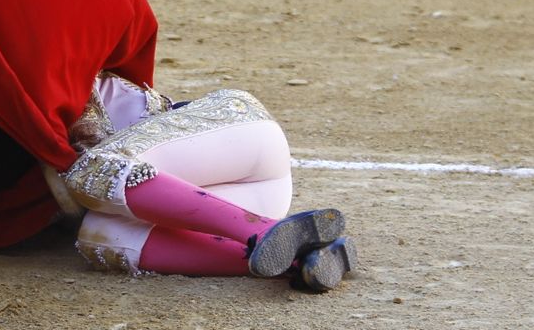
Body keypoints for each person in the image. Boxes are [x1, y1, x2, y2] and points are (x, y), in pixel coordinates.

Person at [44, 72, 355, 289]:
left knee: (90, 171)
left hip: (238, 136)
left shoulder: (53, 78)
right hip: (250, 196)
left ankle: (262, 231)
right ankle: (301, 260)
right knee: (99, 237)